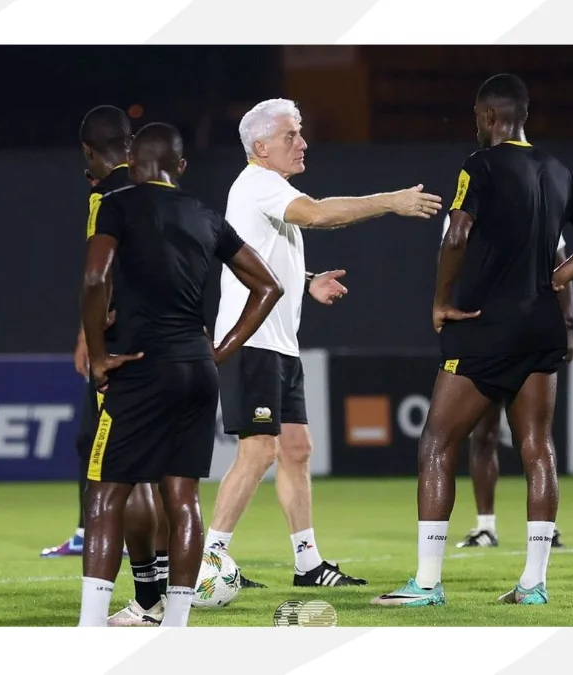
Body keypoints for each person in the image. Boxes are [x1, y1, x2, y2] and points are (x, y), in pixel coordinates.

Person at [373, 74, 573, 608]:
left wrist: (441, 301)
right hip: (541, 329)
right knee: (538, 448)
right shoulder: (558, 169)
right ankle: (533, 584)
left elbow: (457, 233)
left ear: (487, 116)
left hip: (484, 327)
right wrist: (562, 276)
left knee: (437, 444)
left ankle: (427, 583)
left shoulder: (479, 165)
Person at [205, 98, 444, 589]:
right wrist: (390, 201)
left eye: (300, 132)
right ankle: (208, 560)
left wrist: (308, 280)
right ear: (261, 147)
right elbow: (315, 215)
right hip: (252, 341)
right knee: (259, 451)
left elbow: (265, 254)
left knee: (296, 448)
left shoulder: (269, 188)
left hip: (279, 345)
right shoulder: (258, 184)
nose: (303, 142)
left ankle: (308, 564)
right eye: (291, 135)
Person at [77, 122, 284, 628]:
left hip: (140, 367)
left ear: (133, 163)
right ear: (181, 166)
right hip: (196, 369)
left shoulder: (116, 206)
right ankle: (175, 627)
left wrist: (99, 355)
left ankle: (89, 627)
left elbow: (95, 278)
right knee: (183, 496)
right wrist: (222, 350)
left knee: (105, 492)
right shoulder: (206, 215)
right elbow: (269, 286)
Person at [41, 105, 179, 627]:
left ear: (87, 152)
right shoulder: (161, 189)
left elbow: (99, 275)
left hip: (126, 351)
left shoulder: (106, 198)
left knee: (115, 474)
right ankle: (167, 593)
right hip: (177, 342)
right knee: (168, 478)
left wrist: (91, 338)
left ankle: (142, 597)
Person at [458, 233, 571, 550]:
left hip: (526, 334)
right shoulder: (462, 214)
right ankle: (486, 526)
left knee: (534, 437)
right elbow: (453, 258)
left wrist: (569, 324)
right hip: (486, 335)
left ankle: (546, 529)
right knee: (485, 433)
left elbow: (562, 266)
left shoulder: (543, 209)